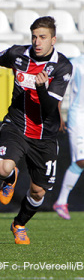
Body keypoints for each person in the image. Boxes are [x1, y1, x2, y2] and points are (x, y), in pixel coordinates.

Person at [0, 16, 72, 244]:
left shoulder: (62, 66)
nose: (37, 42)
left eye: (42, 37)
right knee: (3, 168)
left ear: (53, 39)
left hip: (44, 136)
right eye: (34, 37)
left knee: (38, 192)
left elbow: (50, 108)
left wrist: (41, 88)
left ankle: (19, 224)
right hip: (17, 125)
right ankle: (10, 178)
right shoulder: (18, 54)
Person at [53, 55, 84, 220]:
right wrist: (58, 114)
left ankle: (61, 201)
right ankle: (61, 201)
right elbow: (60, 89)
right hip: (78, 117)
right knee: (81, 160)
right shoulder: (76, 64)